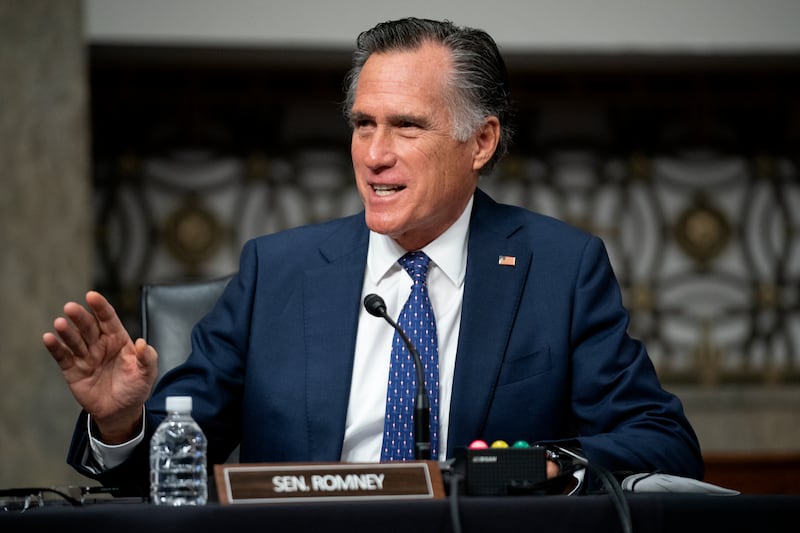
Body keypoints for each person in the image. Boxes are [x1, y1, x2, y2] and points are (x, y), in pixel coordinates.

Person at [43, 17, 703, 494]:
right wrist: (121, 418)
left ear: (481, 142)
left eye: (406, 125)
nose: (374, 154)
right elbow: (165, 468)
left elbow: (664, 442)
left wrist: (539, 464)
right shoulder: (277, 272)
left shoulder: (560, 268)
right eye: (363, 123)